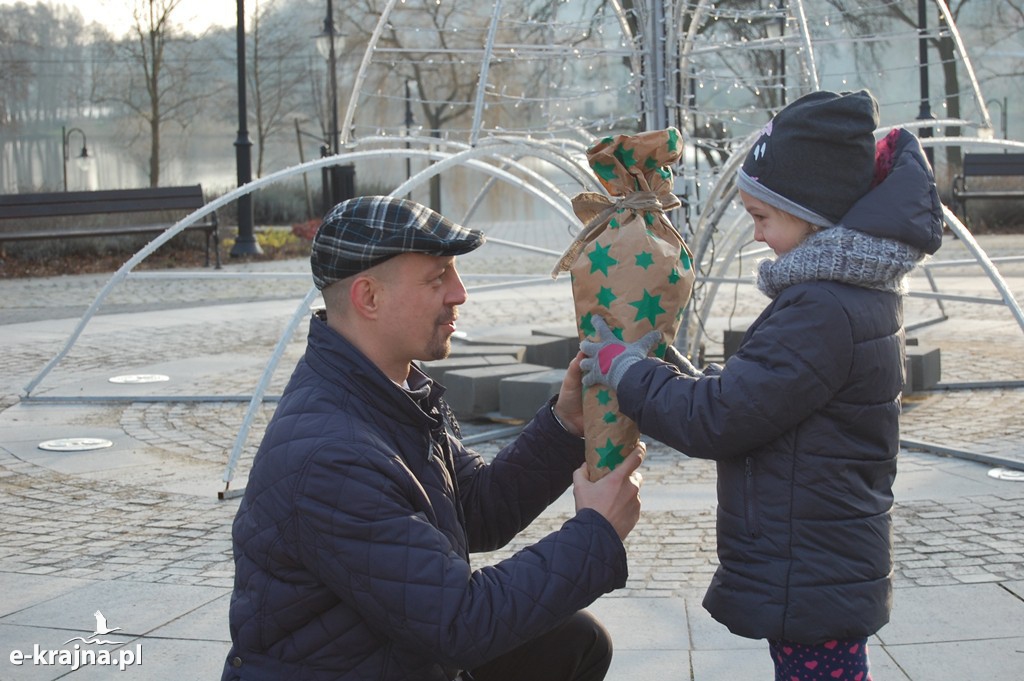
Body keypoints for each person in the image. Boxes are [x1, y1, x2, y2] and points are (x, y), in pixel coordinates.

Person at [578, 90, 943, 680]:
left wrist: (627, 372)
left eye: (762, 218)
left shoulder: (821, 308)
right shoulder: (843, 296)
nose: (754, 236)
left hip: (812, 566)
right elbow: (760, 398)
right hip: (823, 559)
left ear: (812, 214)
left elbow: (719, 419)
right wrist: (667, 365)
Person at [222, 195, 645, 681]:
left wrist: (566, 425)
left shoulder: (392, 390)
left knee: (576, 642)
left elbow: (479, 510)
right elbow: (459, 623)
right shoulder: (330, 454)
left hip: (397, 653)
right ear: (369, 298)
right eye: (437, 277)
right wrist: (595, 532)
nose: (460, 293)